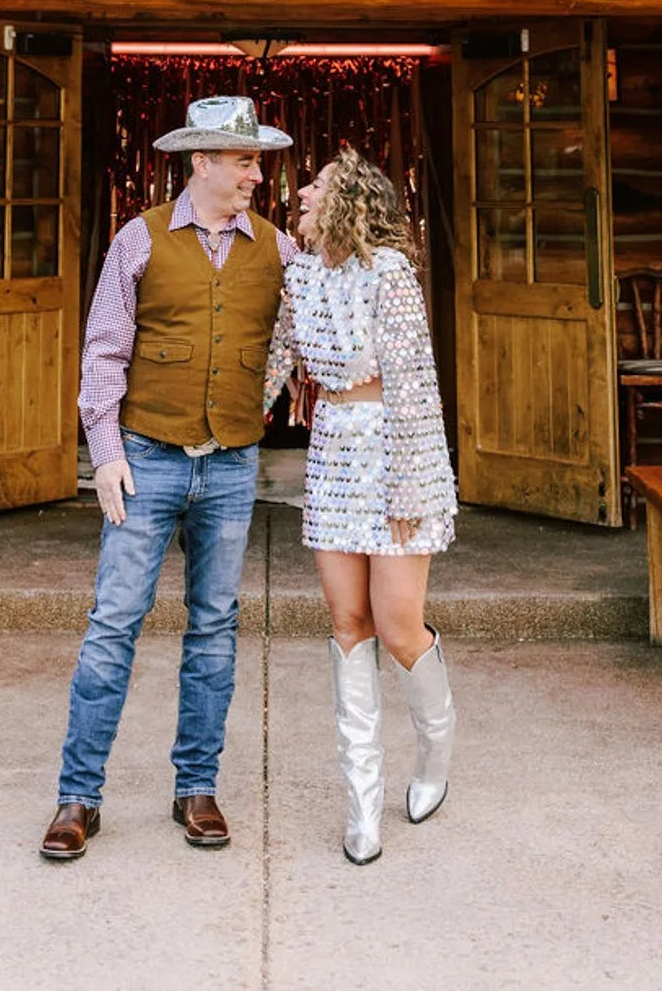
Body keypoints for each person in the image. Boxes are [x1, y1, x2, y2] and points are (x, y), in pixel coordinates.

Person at [40, 94, 300, 862]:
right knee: (113, 625)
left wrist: (255, 400)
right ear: (203, 162)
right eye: (245, 159)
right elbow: (103, 352)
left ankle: (197, 789)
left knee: (215, 628)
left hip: (230, 464)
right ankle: (78, 798)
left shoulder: (279, 249)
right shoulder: (140, 239)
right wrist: (106, 455)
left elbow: (290, 340)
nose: (258, 173)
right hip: (145, 459)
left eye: (258, 160)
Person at [264, 144, 457, 865]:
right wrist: (216, 432)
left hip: (398, 452)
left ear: (349, 202)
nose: (303, 196)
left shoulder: (391, 274)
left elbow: (414, 384)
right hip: (333, 457)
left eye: (316, 188)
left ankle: (435, 754)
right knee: (348, 623)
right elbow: (276, 363)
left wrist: (408, 487)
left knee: (399, 625)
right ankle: (363, 805)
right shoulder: (300, 276)